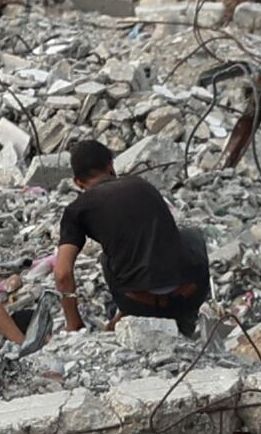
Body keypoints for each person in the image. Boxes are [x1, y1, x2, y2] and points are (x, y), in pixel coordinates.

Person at [48, 139, 214, 332]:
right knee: (191, 235)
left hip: (139, 305)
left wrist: (74, 325)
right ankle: (182, 315)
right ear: (111, 167)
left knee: (108, 258)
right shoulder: (141, 184)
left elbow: (62, 274)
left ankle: (132, 313)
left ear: (77, 182)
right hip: (190, 295)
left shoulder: (76, 210)